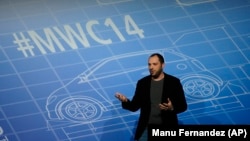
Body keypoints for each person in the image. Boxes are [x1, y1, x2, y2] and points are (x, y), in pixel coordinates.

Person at [115, 53, 188, 141]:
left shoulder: (174, 82)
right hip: (146, 131)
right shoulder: (142, 83)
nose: (151, 67)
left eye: (155, 64)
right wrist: (125, 101)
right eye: (149, 64)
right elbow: (134, 106)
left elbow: (183, 106)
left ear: (163, 65)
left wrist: (172, 107)